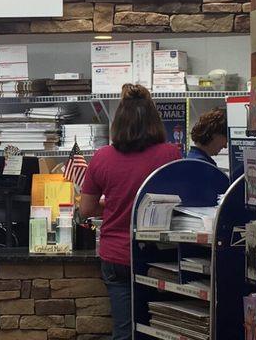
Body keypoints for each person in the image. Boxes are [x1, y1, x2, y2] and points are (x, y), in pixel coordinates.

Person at [80, 84, 181, 340]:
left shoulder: (102, 157)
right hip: (159, 254)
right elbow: (181, 204)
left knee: (124, 332)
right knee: (162, 328)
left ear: (118, 123)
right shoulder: (171, 154)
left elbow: (86, 209)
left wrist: (114, 203)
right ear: (154, 121)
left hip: (116, 255)